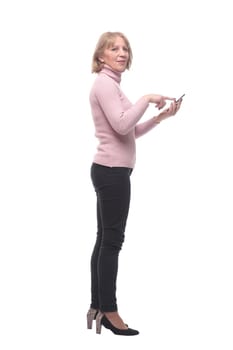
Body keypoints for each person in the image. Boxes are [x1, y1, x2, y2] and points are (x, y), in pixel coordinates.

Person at [86, 31, 183, 336]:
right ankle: (109, 311)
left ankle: (97, 307)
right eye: (114, 48)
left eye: (125, 48)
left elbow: (129, 130)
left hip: (113, 171)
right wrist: (148, 98)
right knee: (112, 242)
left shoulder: (112, 85)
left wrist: (160, 118)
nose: (122, 53)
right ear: (101, 56)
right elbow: (122, 123)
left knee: (105, 241)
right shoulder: (104, 84)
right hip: (112, 172)